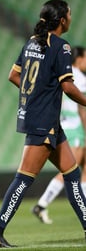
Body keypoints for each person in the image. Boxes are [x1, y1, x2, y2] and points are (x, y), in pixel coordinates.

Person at [0, 0, 86, 248]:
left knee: (73, 175)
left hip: (44, 119)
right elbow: (68, 87)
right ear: (62, 20)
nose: (71, 18)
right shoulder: (61, 47)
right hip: (43, 121)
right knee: (23, 178)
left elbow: (14, 75)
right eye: (70, 15)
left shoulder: (32, 42)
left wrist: (35, 93)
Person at [32, 46, 86, 224]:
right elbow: (82, 109)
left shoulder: (64, 75)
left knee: (83, 168)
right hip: (77, 127)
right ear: (79, 59)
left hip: (64, 124)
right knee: (71, 169)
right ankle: (42, 204)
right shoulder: (79, 77)